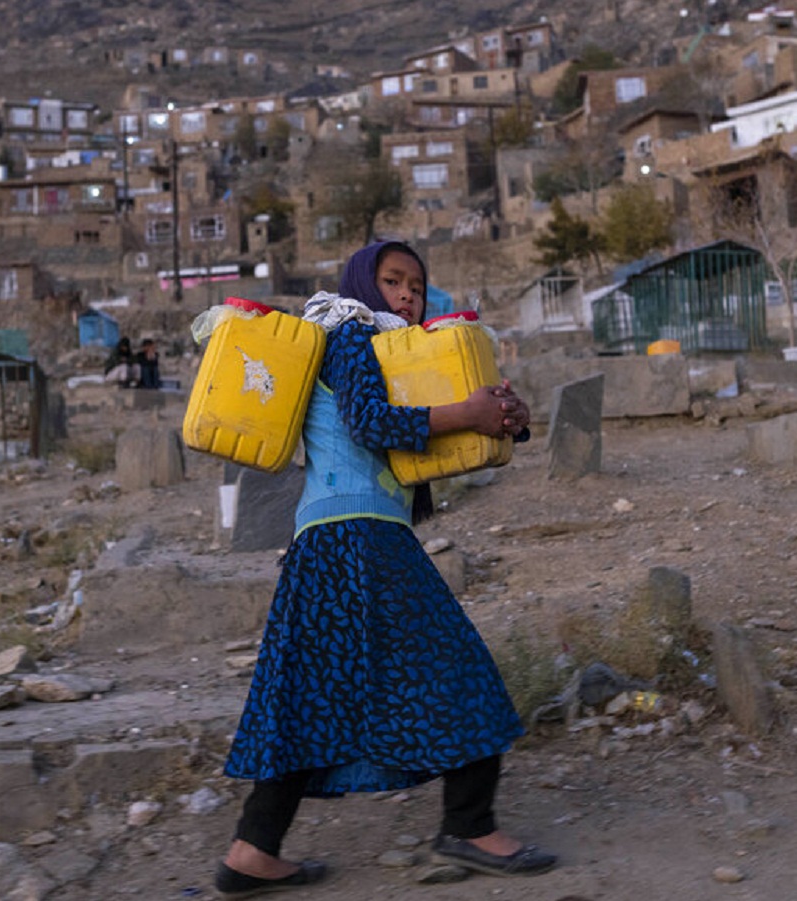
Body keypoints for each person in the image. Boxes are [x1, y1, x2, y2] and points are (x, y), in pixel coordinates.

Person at [214, 241, 553, 899]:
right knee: (460, 669)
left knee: (306, 697)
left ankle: (251, 850)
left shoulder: (393, 352)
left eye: (417, 287)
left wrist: (507, 418)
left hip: (329, 546)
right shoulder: (349, 336)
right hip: (359, 542)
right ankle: (469, 825)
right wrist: (469, 412)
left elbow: (438, 428)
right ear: (362, 284)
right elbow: (372, 423)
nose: (406, 295)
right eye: (393, 280)